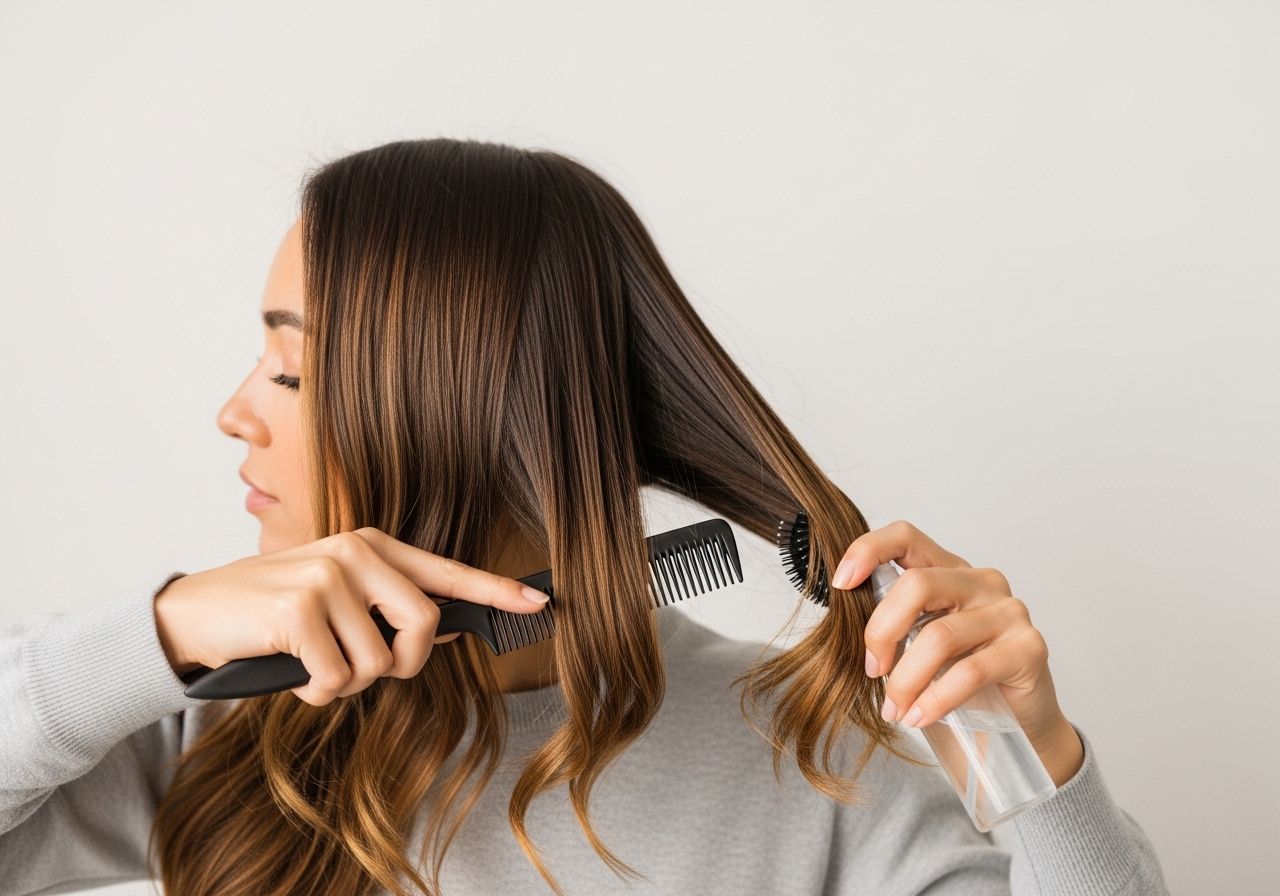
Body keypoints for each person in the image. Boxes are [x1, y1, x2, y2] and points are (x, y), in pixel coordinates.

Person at [0, 138, 1171, 895]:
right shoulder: (217, 726)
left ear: (456, 416)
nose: (231, 414)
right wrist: (155, 635)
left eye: (293, 375)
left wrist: (1039, 764)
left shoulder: (807, 769)